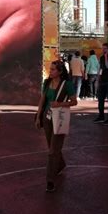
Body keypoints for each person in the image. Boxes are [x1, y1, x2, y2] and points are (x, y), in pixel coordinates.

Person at [35, 60, 77, 192]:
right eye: (50, 68)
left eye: (53, 69)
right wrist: (38, 116)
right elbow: (42, 100)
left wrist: (60, 104)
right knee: (52, 147)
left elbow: (74, 101)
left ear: (60, 71)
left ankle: (50, 180)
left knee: (53, 152)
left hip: (60, 119)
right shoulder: (46, 83)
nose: (50, 71)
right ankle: (61, 164)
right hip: (47, 118)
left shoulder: (67, 84)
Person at [94, 43, 108, 125]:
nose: (103, 50)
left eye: (105, 48)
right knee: (100, 100)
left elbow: (107, 66)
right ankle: (101, 116)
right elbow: (101, 68)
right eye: (102, 48)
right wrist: (98, 79)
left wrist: (106, 56)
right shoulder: (101, 58)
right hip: (102, 81)